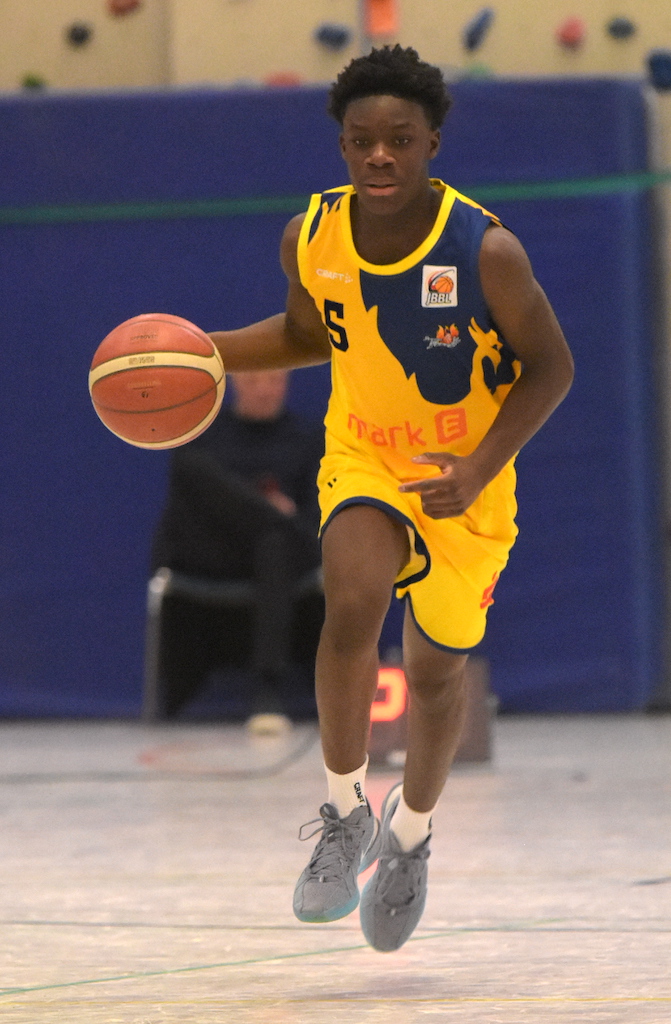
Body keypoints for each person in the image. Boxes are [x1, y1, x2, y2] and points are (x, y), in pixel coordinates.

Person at [208, 45, 574, 952]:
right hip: (364, 459)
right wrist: (194, 351)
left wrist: (481, 465)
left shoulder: (486, 250)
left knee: (436, 674)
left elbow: (551, 369)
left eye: (398, 140)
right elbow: (304, 335)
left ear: (430, 146)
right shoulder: (310, 237)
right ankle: (343, 816)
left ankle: (409, 837)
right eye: (361, 141)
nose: (379, 155)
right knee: (351, 602)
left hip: (462, 479)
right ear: (341, 148)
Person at [151, 368, 324, 731]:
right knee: (193, 467)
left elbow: (314, 517)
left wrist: (286, 518)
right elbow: (187, 513)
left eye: (274, 380)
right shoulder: (204, 437)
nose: (265, 389)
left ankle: (268, 693)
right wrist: (268, 510)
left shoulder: (308, 438)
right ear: (235, 384)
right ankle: (267, 517)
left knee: (274, 543)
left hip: (282, 555)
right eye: (256, 380)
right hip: (214, 551)